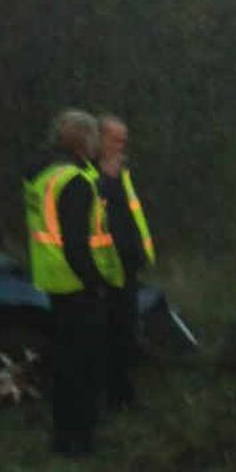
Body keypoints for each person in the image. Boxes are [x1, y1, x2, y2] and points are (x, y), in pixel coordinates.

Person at [23, 109, 113, 456]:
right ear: (83, 141)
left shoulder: (40, 175)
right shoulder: (74, 181)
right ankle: (82, 439)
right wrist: (95, 283)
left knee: (63, 363)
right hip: (77, 286)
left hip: (51, 280)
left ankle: (61, 435)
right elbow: (76, 244)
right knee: (84, 366)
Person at [96, 114, 155, 412]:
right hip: (103, 267)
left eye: (124, 138)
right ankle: (108, 397)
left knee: (126, 331)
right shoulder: (87, 173)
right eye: (116, 138)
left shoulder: (126, 171)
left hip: (128, 264)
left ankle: (125, 395)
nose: (122, 144)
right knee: (106, 334)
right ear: (99, 139)